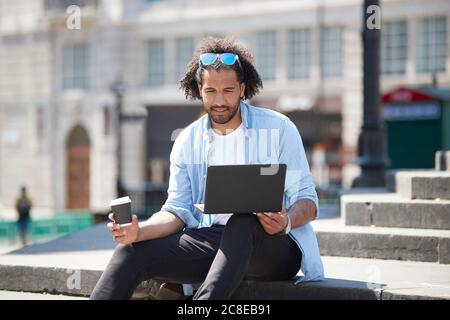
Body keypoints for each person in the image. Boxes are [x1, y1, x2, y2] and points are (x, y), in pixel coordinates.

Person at [91, 37, 324, 300]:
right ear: (199, 90)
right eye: (211, 91)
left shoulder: (279, 128)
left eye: (228, 90)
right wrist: (139, 231)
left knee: (243, 221)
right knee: (131, 251)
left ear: (243, 88)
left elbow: (309, 201)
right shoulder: (187, 140)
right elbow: (177, 209)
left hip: (274, 248)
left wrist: (286, 221)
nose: (220, 100)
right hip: (213, 241)